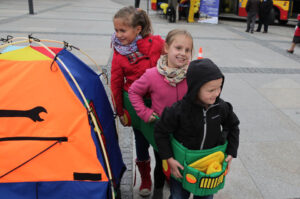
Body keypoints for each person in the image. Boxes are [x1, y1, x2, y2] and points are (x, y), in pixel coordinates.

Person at [154, 58, 240, 199]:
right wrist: (169, 158)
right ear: (195, 88)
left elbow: (233, 125)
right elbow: (160, 131)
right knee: (178, 196)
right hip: (182, 167)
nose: (217, 93)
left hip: (208, 168)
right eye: (211, 90)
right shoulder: (179, 110)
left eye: (219, 87)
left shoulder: (221, 107)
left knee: (205, 197)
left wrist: (231, 151)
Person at [129, 29, 193, 198]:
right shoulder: (152, 75)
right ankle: (158, 191)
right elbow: (133, 92)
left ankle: (178, 191)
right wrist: (144, 112)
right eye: (178, 48)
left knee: (182, 165)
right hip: (162, 132)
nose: (183, 53)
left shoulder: (193, 74)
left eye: (187, 50)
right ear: (166, 48)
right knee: (161, 162)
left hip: (185, 134)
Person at [111, 6, 164, 197]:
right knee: (141, 145)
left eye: (122, 30)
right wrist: (120, 111)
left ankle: (161, 176)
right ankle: (146, 179)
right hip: (135, 105)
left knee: (160, 143)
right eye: (116, 30)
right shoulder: (119, 53)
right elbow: (116, 84)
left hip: (159, 103)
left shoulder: (157, 44)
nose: (118, 35)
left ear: (138, 29)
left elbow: (173, 58)